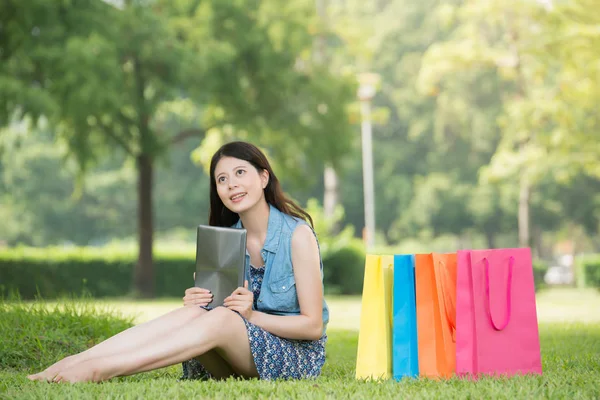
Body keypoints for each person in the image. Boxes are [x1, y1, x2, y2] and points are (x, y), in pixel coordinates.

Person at [28, 141, 329, 383]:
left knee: (224, 319)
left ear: (263, 177)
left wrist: (249, 316)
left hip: (295, 356)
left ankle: (100, 370)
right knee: (194, 313)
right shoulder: (227, 241)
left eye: (240, 173)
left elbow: (313, 326)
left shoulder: (297, 236)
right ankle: (73, 362)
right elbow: (221, 313)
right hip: (239, 352)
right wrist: (203, 301)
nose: (231, 185)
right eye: (222, 179)